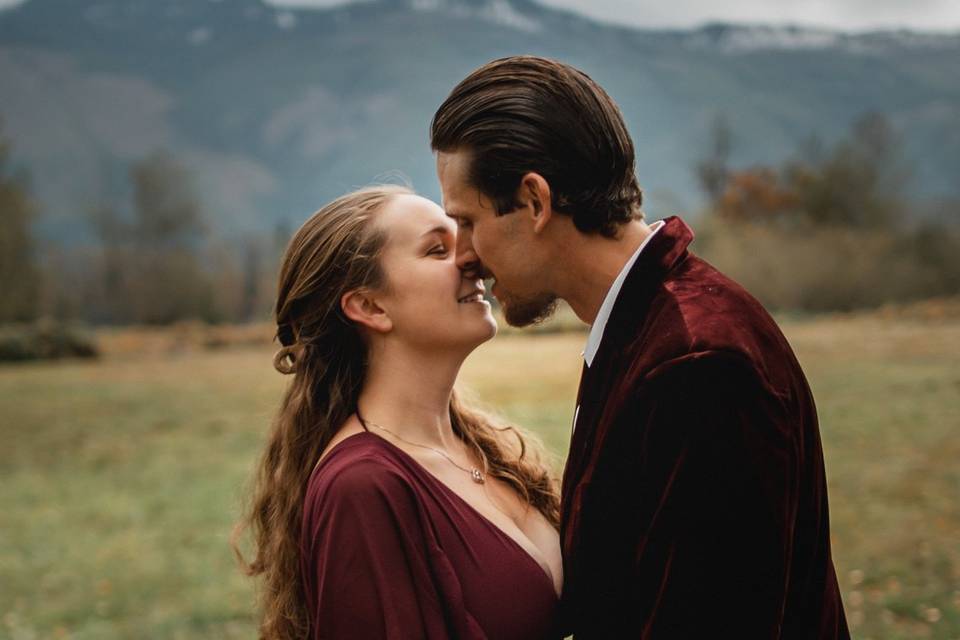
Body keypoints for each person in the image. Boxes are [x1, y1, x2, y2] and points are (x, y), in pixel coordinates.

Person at [432, 56, 850, 638]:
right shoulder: (645, 328)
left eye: (469, 221)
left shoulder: (696, 362)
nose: (465, 254)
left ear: (534, 201)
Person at [233, 185, 563, 639]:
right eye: (436, 249)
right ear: (370, 306)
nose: (472, 258)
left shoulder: (482, 446)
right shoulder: (363, 486)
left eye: (462, 236)